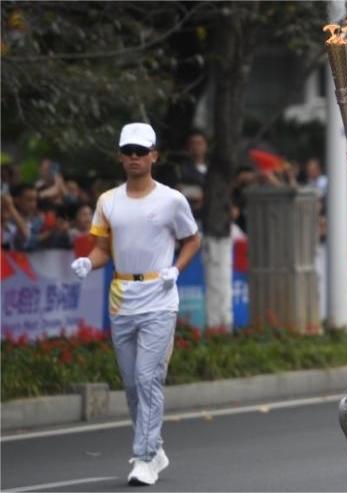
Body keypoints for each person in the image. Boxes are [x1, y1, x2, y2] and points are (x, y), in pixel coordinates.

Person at [70, 123, 201, 486]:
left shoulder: (171, 199)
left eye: (141, 152)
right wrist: (88, 262)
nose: (134, 158)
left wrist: (175, 268)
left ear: (154, 156)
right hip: (121, 298)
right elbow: (101, 248)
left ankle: (144, 457)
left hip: (159, 298)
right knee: (131, 384)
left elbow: (192, 239)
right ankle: (154, 447)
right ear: (120, 156)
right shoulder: (108, 202)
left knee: (148, 378)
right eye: (128, 151)